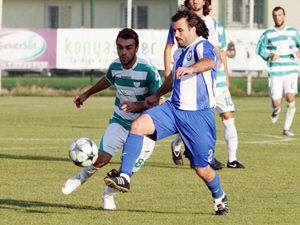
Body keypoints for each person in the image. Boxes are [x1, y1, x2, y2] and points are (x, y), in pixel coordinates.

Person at [104, 9, 229, 215]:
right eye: (174, 30)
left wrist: (192, 69)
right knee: (138, 126)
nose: (176, 35)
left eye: (180, 30)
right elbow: (172, 79)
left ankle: (219, 196)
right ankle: (124, 177)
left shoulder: (202, 46)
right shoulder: (180, 51)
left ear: (193, 28)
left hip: (198, 116)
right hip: (173, 109)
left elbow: (209, 62)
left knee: (202, 169)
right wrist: (157, 94)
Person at [61, 28, 162, 210]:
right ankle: (79, 178)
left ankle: (108, 194)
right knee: (101, 158)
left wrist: (137, 106)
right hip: (120, 121)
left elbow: (159, 101)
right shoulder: (115, 67)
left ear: (136, 48)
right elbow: (108, 80)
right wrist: (86, 94)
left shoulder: (148, 71)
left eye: (128, 48)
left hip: (143, 129)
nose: (124, 52)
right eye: (120, 47)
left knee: (128, 170)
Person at [165, 0, 243, 169]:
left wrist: (225, 75)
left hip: (216, 78)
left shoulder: (215, 24)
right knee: (192, 116)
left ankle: (232, 159)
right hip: (191, 78)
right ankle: (188, 148)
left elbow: (219, 52)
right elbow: (169, 46)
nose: (195, 1)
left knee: (228, 117)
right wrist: (167, 73)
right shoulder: (180, 24)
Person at [256, 6, 300, 137]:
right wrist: (270, 55)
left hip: (290, 70)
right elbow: (259, 49)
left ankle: (286, 128)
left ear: (284, 16)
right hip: (275, 71)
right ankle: (276, 109)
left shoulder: (293, 32)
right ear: (273, 17)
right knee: (276, 101)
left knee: (290, 97)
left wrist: (298, 52)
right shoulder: (268, 33)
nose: (277, 18)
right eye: (275, 15)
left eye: (280, 15)